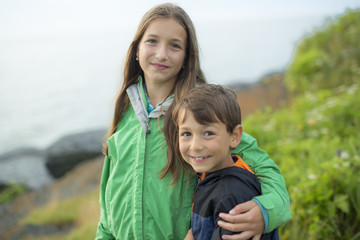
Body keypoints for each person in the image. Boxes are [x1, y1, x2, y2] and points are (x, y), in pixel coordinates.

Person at [95, 3, 291, 240]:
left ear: (187, 57)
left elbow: (267, 172)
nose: (161, 54)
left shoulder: (201, 113)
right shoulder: (124, 111)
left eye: (175, 46)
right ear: (136, 49)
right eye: (152, 41)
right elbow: (108, 208)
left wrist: (266, 211)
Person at [164, 84, 279, 240]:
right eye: (186, 133)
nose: (195, 146)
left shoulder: (231, 196)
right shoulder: (210, 177)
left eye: (208, 133)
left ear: (235, 136)